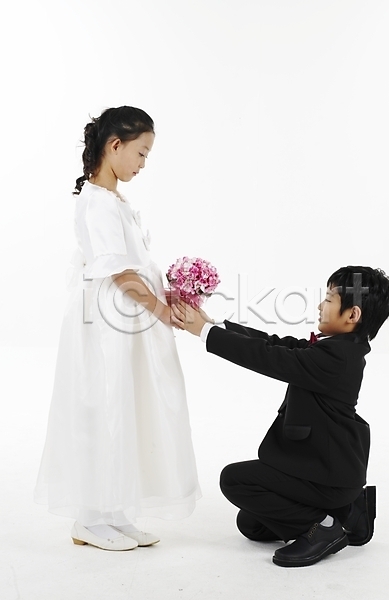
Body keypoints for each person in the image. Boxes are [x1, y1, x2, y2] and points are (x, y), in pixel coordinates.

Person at [34, 106, 201, 551]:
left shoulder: (115, 201)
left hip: (125, 322)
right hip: (107, 324)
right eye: (141, 153)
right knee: (104, 407)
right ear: (114, 145)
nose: (143, 164)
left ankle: (115, 512)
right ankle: (89, 518)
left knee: (125, 408)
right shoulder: (98, 202)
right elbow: (119, 272)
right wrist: (161, 310)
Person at [172, 266, 389, 567]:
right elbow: (276, 344)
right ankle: (348, 512)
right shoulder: (338, 349)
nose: (320, 306)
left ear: (352, 315)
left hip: (329, 475)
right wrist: (214, 325)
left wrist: (204, 332)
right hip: (320, 469)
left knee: (235, 481)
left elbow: (269, 357)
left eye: (329, 299)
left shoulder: (337, 359)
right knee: (250, 524)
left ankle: (323, 528)